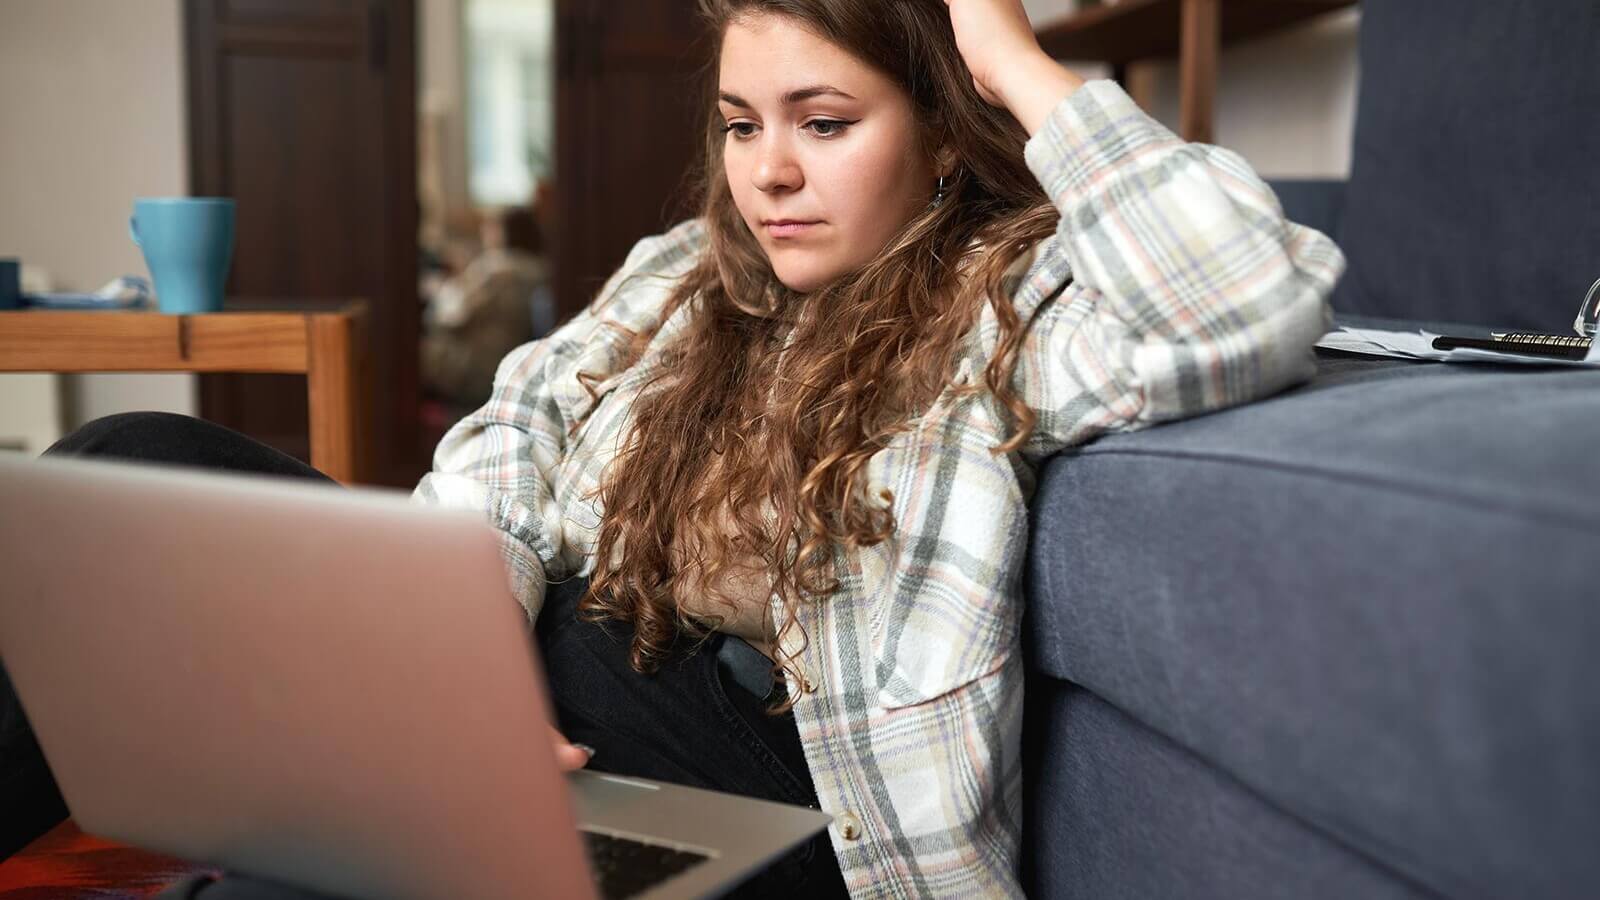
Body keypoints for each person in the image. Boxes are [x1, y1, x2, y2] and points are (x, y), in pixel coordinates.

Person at [5, 0, 1344, 896]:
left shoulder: (1017, 298)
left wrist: (1010, 58)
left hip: (767, 761)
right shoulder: (682, 275)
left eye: (824, 124)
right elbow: (516, 424)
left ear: (941, 133)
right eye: (741, 123)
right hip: (563, 658)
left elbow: (1240, 294)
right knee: (131, 455)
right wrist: (459, 647)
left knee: (340, 807)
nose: (767, 172)